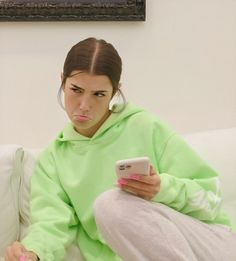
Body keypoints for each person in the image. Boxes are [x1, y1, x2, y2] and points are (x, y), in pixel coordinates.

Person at [4, 37, 236, 261]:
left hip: (213, 244)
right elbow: (50, 226)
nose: (84, 105)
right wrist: (33, 253)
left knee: (111, 205)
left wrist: (162, 189)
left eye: (99, 94)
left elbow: (212, 199)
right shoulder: (54, 160)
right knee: (110, 206)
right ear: (62, 82)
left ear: (115, 91)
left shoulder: (146, 127)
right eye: (76, 90)